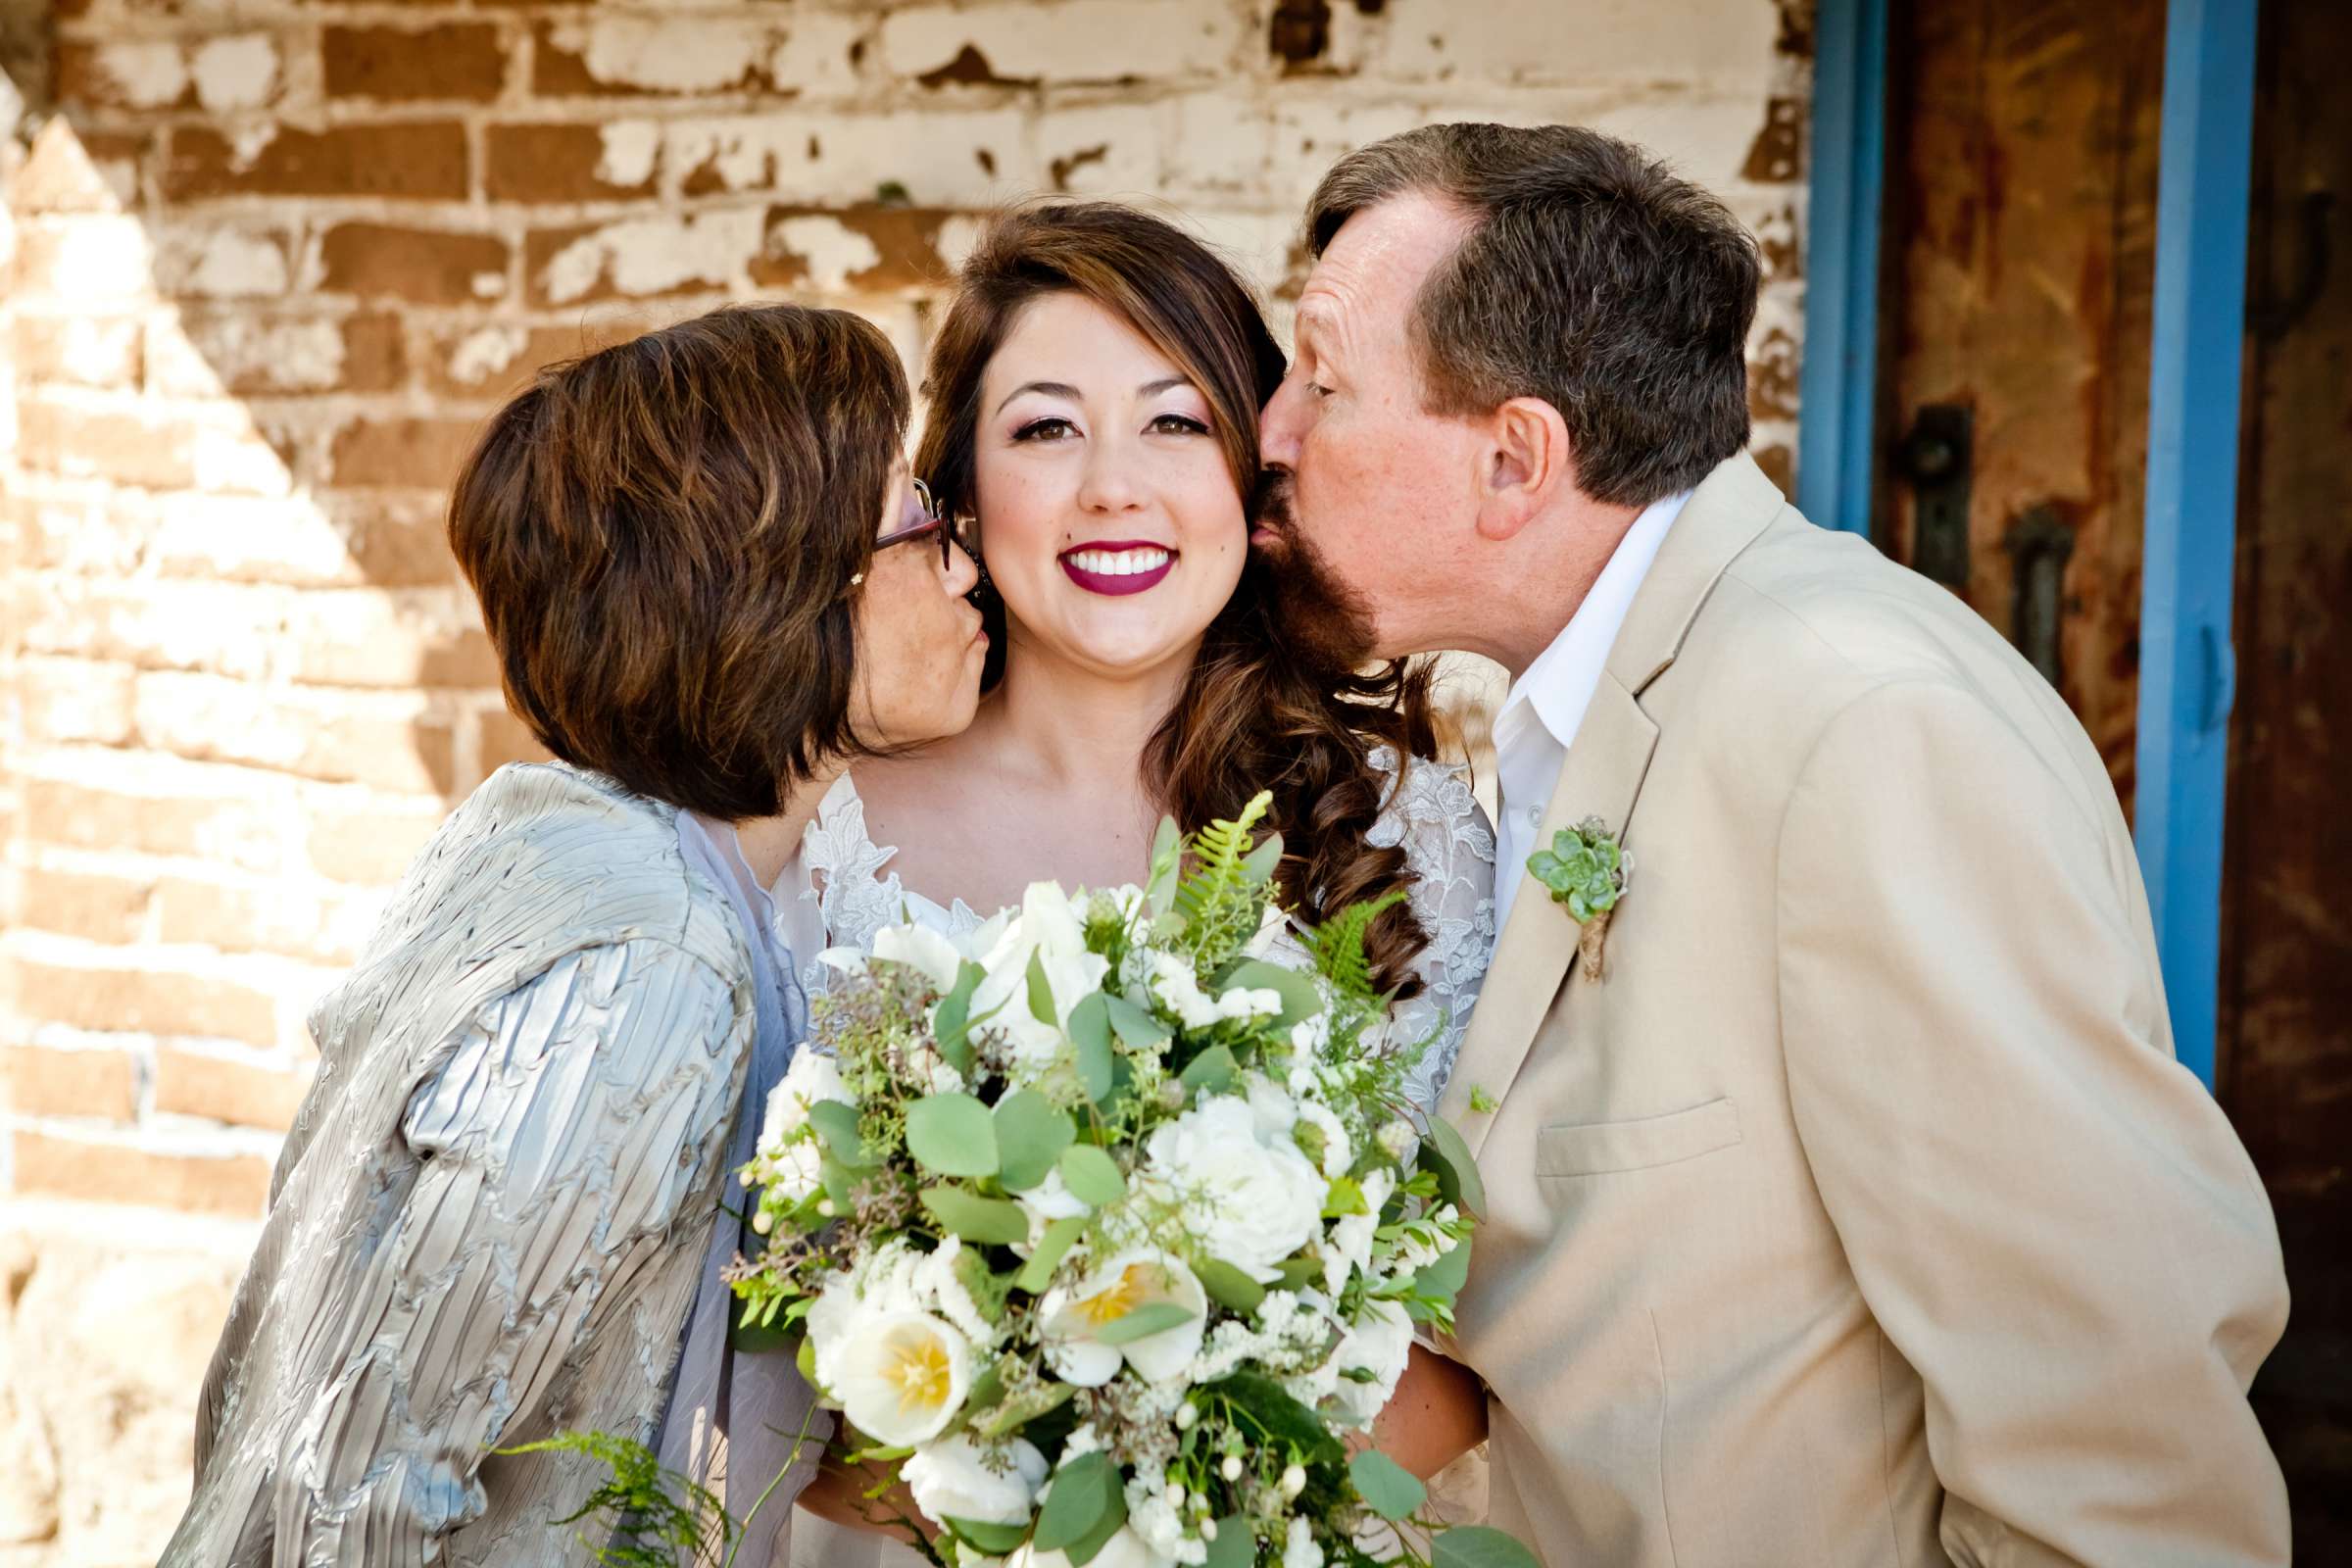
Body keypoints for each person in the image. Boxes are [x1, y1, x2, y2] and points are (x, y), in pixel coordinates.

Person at [1255, 122, 2292, 1565]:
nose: (1271, 434)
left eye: (1322, 378)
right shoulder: (1584, 710)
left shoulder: (1863, 728)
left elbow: (2118, 1456)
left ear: (1514, 460)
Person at [162, 304, 988, 1568]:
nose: (965, 564)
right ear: (786, 590)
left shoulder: (585, 841)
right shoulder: (646, 971)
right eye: (919, 517)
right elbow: (357, 1494)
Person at [785, 201, 1497, 1563]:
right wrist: (1017, 1511)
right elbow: (746, 1333)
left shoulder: (1414, 835)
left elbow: (1493, 1330)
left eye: (1175, 423)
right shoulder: (827, 834)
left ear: (1251, 474)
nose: (1114, 484)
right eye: (1045, 429)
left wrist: (1186, 1520)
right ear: (963, 490)